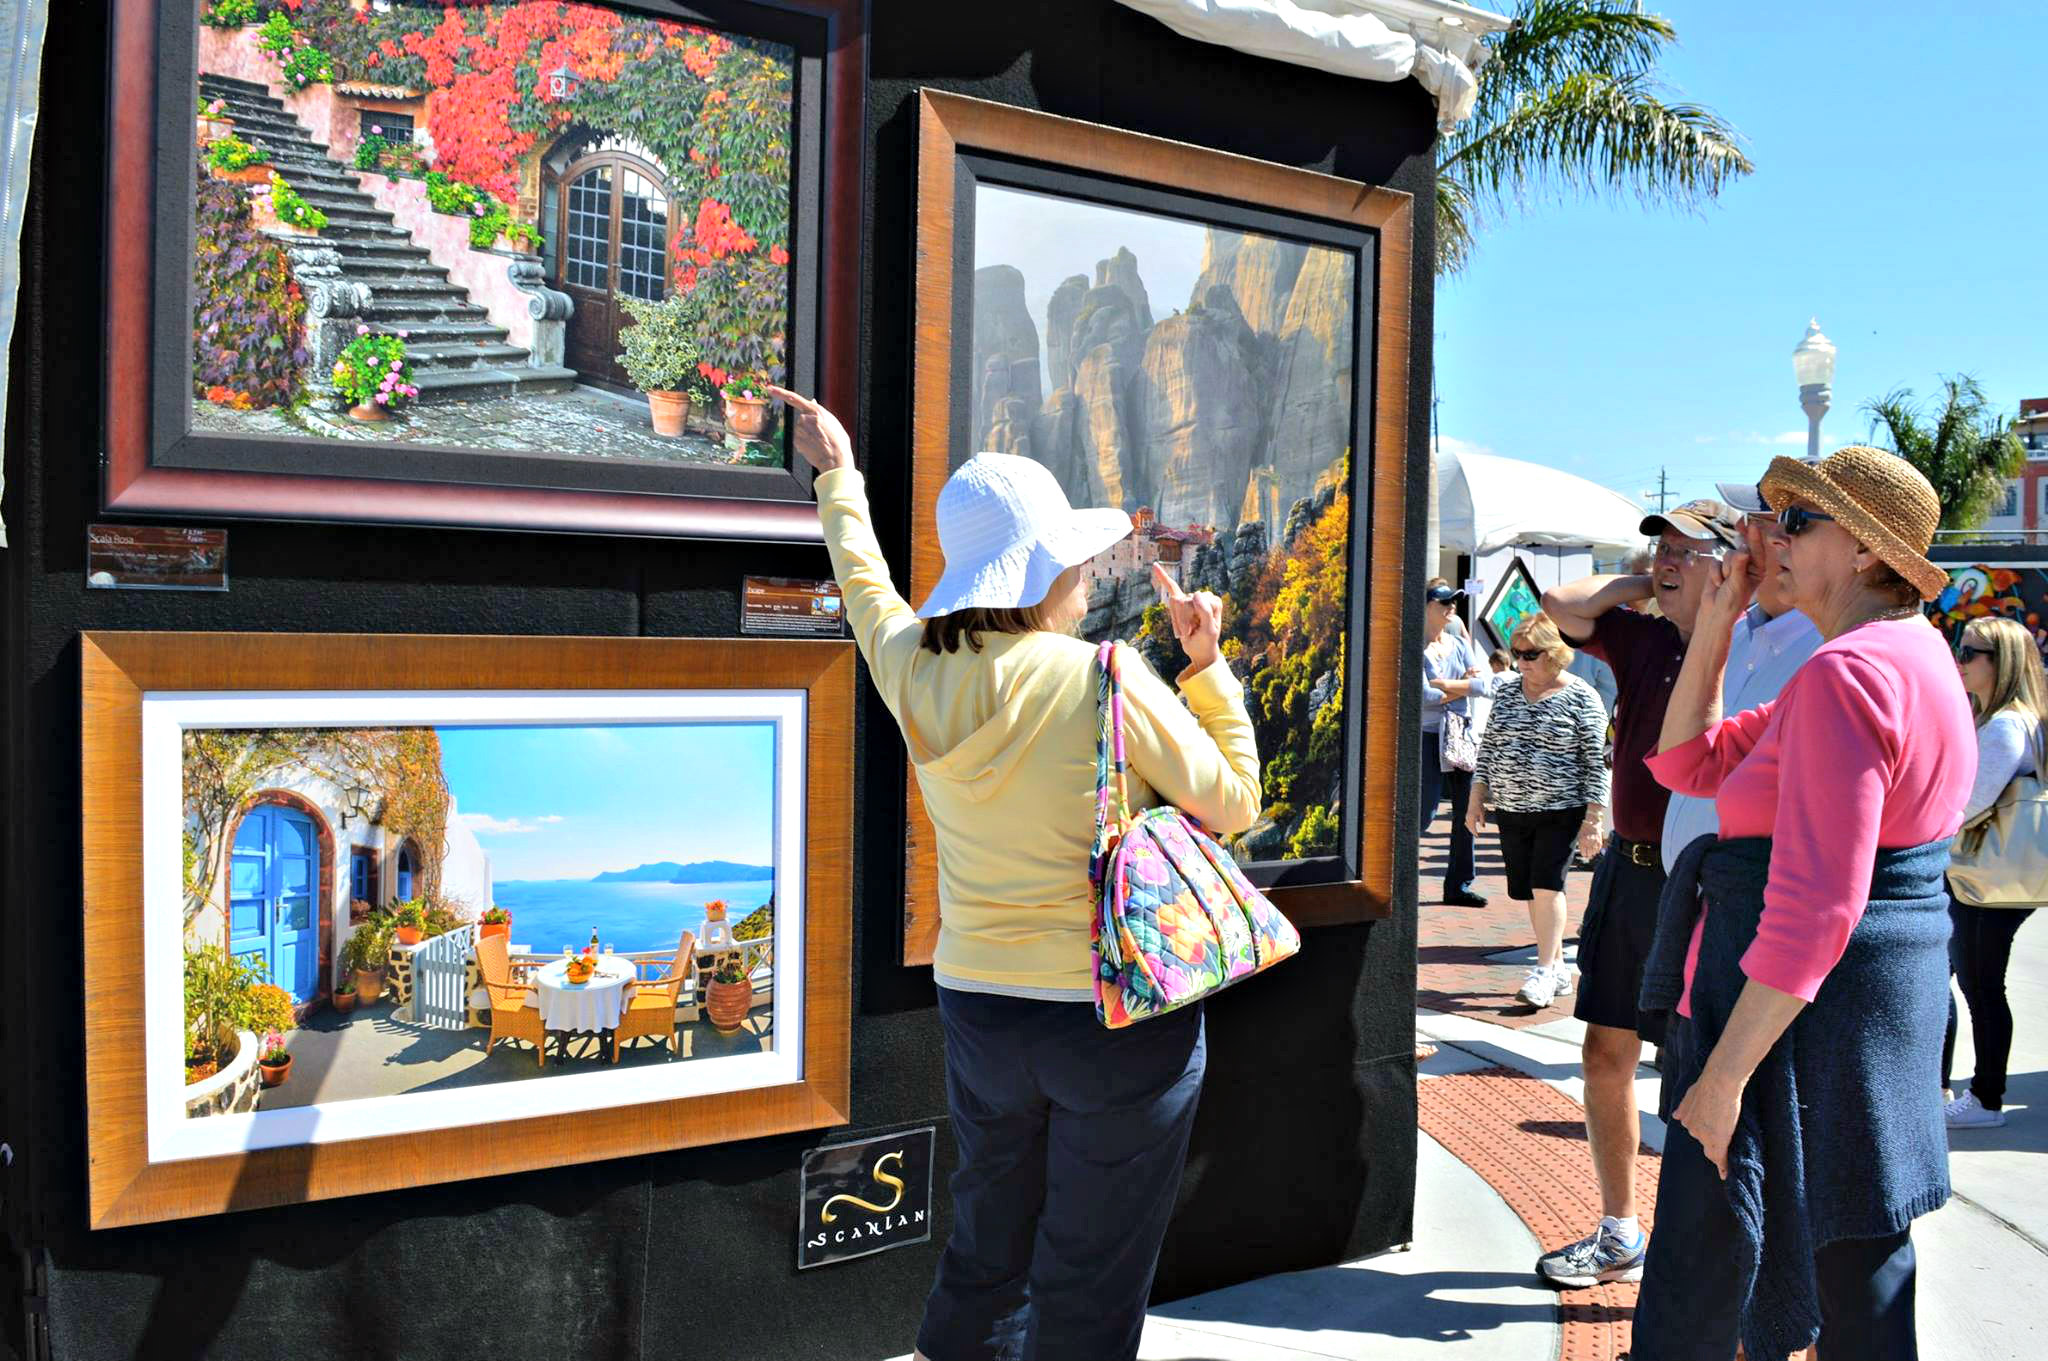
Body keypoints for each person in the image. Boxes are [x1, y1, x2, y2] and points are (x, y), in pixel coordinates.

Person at [767, 387, 1261, 1361]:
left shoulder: (912, 666)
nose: (1084, 571)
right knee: (1089, 1273)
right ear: (1043, 563)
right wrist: (1206, 666)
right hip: (1111, 1014)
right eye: (1071, 553)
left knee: (985, 1249)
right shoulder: (1104, 674)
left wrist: (837, 476)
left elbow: (864, 585)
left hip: (979, 1012)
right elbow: (1232, 802)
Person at [1631, 447, 1972, 1360]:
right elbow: (1684, 762)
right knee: (1863, 1273)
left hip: (1795, 1028)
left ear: (1863, 550)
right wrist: (1718, 618)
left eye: (1798, 521)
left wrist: (1722, 1079)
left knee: (1697, 1289)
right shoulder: (1908, 656)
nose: (1771, 537)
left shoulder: (1844, 674)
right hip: (1868, 1017)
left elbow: (1818, 903)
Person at [1535, 499, 1746, 1288]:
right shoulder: (1646, 637)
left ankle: (1709, 1264)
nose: (1668, 559)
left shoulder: (1746, 647)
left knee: (1699, 1075)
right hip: (1630, 870)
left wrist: (1707, 591)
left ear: (1728, 563)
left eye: (1688, 550)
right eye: (1663, 547)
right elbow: (1556, 606)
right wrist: (1643, 580)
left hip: (1707, 883)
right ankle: (1621, 1230)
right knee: (1605, 1052)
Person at [1660, 480, 1824, 871]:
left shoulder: (1828, 653)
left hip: (1758, 906)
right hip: (1697, 899)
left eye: (1758, 521)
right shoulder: (1730, 626)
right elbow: (1680, 764)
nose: (1741, 533)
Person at [1466, 613, 1609, 1006]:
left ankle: (1544, 971)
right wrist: (1476, 797)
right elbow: (1489, 746)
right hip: (1512, 807)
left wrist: (1594, 820)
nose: (1522, 662)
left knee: (1547, 887)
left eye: (1531, 654)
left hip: (1561, 809)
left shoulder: (1582, 696)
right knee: (1532, 891)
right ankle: (1558, 967)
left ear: (1555, 652)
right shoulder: (1509, 691)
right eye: (1517, 654)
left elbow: (1597, 762)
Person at [1941, 615, 2046, 1129]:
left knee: (1981, 986)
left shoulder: (2005, 725)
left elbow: (1966, 804)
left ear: (2000, 663)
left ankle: (1985, 1099)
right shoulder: (2017, 717)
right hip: (1997, 876)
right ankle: (1978, 1094)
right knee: (1975, 983)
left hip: (1986, 879)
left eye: (1969, 652)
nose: (1958, 659)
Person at [1422, 580, 1493, 907]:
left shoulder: (1458, 642)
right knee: (1424, 813)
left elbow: (1483, 684)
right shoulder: (1415, 647)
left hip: (1460, 734)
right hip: (1428, 736)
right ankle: (1402, 882)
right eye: (1444, 602)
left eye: (1454, 602)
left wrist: (1448, 688)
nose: (1451, 607)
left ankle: (1459, 885)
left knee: (1467, 812)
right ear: (1425, 606)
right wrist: (1462, 687)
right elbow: (1425, 696)